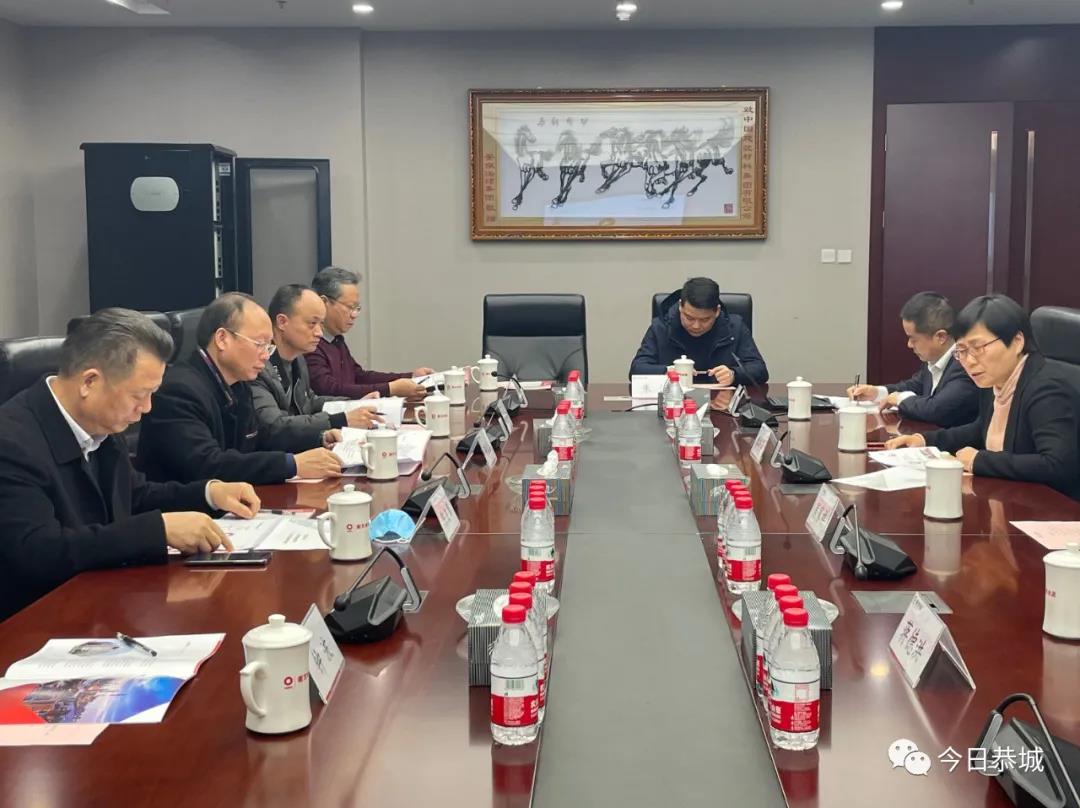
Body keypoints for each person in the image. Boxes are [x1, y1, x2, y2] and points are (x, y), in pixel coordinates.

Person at [0, 309, 259, 621]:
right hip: (34, 623)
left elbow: (134, 495)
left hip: (100, 601)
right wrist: (157, 531)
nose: (146, 408)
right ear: (90, 382)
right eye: (140, 395)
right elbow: (40, 551)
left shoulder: (99, 423)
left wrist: (209, 493)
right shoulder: (11, 442)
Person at [886, 295, 1080, 500]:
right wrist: (925, 440)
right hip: (1010, 497)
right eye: (962, 350)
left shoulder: (1047, 390)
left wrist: (978, 461)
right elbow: (981, 429)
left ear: (1017, 342)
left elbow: (1056, 464)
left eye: (978, 348)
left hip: (1052, 508)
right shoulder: (994, 380)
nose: (969, 361)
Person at [137, 293, 343, 485]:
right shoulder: (179, 391)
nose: (266, 355)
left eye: (269, 346)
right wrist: (292, 465)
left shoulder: (238, 383)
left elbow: (260, 437)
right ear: (222, 339)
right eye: (259, 344)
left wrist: (318, 438)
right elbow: (208, 464)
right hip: (186, 508)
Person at [252, 284, 383, 452]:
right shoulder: (257, 365)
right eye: (312, 323)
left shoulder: (298, 359)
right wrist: (340, 420)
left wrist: (354, 405)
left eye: (321, 324)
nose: (319, 332)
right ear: (282, 322)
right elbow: (274, 427)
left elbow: (310, 402)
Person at [847, 292, 978, 427]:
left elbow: (936, 409)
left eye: (913, 339)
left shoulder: (965, 365)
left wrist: (900, 399)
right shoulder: (934, 359)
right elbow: (915, 386)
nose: (909, 345)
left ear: (941, 337)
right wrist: (876, 393)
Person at [306, 266, 434, 399]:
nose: (354, 314)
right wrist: (390, 389)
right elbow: (328, 389)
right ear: (324, 303)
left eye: (357, 308)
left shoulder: (336, 339)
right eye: (350, 307)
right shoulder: (310, 343)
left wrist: (411, 377)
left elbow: (358, 376)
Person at [629, 277, 768, 387]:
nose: (696, 326)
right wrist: (668, 371)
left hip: (721, 404)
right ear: (680, 306)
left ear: (717, 311)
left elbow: (760, 370)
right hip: (674, 403)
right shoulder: (661, 327)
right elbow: (637, 369)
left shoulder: (735, 327)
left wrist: (734, 375)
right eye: (689, 318)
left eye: (705, 319)